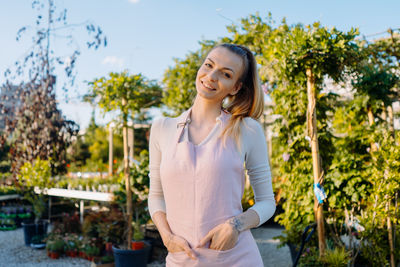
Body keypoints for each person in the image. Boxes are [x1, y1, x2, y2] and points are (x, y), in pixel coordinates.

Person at [148, 43, 276, 267]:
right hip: (181, 260)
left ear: (235, 87)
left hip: (236, 259)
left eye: (225, 74)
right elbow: (156, 195)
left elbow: (267, 202)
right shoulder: (162, 128)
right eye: (209, 65)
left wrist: (235, 226)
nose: (211, 76)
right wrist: (167, 237)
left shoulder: (247, 130)